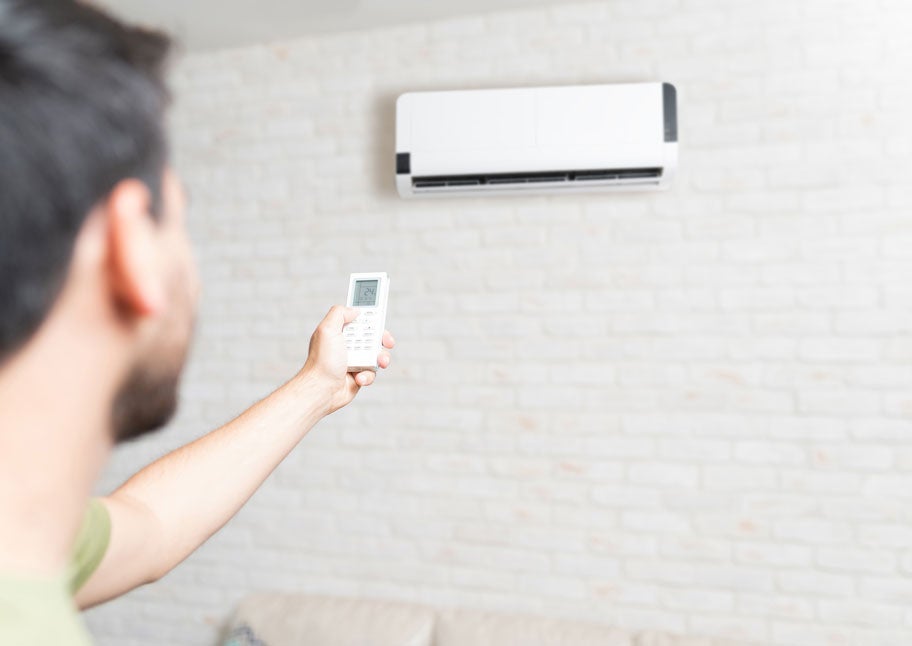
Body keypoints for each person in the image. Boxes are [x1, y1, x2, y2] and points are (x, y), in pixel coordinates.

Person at [0, 1, 395, 643]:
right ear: (132, 246)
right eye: (180, 217)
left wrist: (317, 386)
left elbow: (150, 527)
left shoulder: (25, 537)